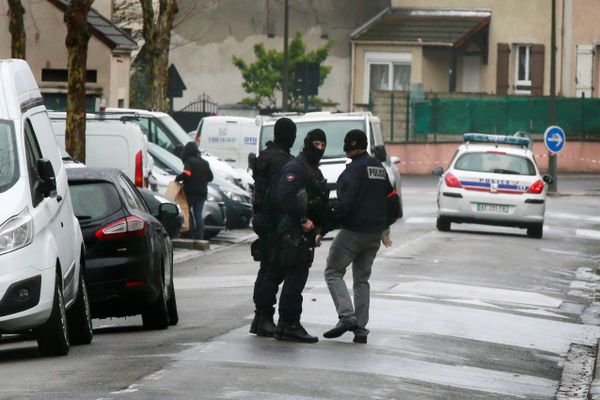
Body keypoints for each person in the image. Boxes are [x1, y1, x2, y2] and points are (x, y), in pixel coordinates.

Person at [323, 129, 399, 344]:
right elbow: (393, 202)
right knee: (362, 280)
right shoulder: (378, 168)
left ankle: (347, 317)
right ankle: (361, 328)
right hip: (374, 235)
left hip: (353, 232)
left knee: (333, 272)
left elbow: (344, 206)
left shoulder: (352, 171)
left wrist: (324, 227)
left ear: (348, 147)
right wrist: (384, 228)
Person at [272, 128, 329, 343]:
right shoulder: (297, 166)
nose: (320, 149)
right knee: (294, 280)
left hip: (304, 233)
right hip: (294, 232)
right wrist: (303, 220)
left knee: (297, 279)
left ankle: (287, 324)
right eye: (316, 144)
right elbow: (285, 196)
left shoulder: (312, 168)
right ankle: (289, 325)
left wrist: (319, 228)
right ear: (307, 143)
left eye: (323, 145)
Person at [249, 117, 297, 337]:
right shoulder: (281, 160)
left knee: (266, 268)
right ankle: (265, 318)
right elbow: (282, 195)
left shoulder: (266, 156)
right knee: (272, 269)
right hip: (273, 220)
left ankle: (260, 317)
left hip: (261, 216)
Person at [176, 142, 213, 240]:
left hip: (190, 192)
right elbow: (210, 177)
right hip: (202, 193)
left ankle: (190, 233)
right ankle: (201, 236)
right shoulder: (205, 162)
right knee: (198, 214)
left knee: (187, 212)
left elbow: (187, 174)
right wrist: (202, 179)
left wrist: (178, 178)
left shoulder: (189, 161)